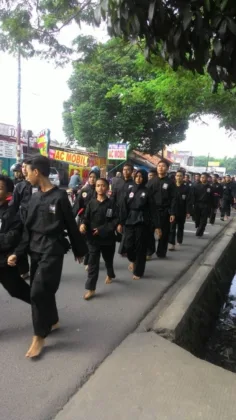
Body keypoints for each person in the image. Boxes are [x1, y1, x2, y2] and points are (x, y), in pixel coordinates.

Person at [8, 156, 88, 359]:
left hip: (53, 248)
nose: (25, 175)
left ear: (37, 172)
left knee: (37, 292)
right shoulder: (33, 198)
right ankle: (52, 319)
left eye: (27, 171)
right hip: (35, 249)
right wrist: (18, 253)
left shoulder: (60, 196)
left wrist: (80, 250)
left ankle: (39, 335)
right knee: (43, 289)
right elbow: (28, 229)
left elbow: (70, 224)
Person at [80, 178, 119, 300]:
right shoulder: (91, 203)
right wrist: (82, 224)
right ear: (95, 188)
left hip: (107, 238)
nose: (100, 188)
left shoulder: (112, 203)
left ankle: (110, 274)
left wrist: (102, 230)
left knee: (108, 259)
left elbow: (115, 220)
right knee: (93, 264)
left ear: (107, 188)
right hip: (93, 239)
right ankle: (91, 289)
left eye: (103, 185)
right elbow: (86, 218)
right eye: (98, 185)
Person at [118, 170, 159, 280]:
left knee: (141, 247)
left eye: (141, 176)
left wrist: (157, 226)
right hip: (130, 219)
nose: (138, 178)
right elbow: (123, 207)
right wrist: (121, 222)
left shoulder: (148, 192)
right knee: (128, 245)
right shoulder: (130, 190)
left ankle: (138, 272)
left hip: (142, 221)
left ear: (144, 178)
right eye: (137, 176)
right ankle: (133, 260)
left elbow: (153, 210)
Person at [0, 175, 31, 306]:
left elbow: (11, 238)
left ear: (8, 193)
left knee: (17, 290)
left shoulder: (12, 213)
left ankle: (48, 312)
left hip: (3, 261)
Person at [10, 159, 38, 279]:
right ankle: (24, 270)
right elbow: (13, 205)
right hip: (22, 221)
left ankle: (37, 271)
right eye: (23, 167)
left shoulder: (39, 185)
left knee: (35, 250)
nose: (23, 169)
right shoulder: (19, 186)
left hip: (36, 223)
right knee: (21, 247)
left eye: (26, 167)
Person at [147, 159, 176, 258]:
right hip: (151, 211)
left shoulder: (170, 183)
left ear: (167, 169)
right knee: (149, 232)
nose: (160, 168)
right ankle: (149, 251)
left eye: (163, 166)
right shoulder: (151, 182)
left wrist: (172, 213)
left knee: (164, 233)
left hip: (164, 211)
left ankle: (161, 252)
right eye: (159, 166)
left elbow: (173, 198)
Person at [72, 169, 98, 269]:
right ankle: (88, 259)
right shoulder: (84, 190)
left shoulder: (99, 189)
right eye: (90, 177)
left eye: (94, 177)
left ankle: (89, 261)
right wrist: (69, 218)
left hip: (96, 219)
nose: (92, 179)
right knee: (85, 240)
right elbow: (76, 206)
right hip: (84, 219)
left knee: (93, 241)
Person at [168, 170, 191, 250]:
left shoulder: (186, 188)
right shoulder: (171, 186)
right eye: (177, 175)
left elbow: (188, 201)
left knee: (180, 227)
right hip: (172, 211)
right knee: (172, 227)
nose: (178, 177)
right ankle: (171, 243)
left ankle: (179, 241)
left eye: (180, 176)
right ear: (175, 177)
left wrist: (188, 211)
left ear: (183, 177)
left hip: (182, 210)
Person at [192, 172, 213, 237]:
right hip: (197, 204)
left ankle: (200, 232)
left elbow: (212, 197)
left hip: (206, 205)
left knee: (204, 220)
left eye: (204, 177)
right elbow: (193, 196)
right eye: (201, 177)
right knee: (197, 219)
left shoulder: (210, 187)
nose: (202, 178)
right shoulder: (196, 186)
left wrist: (212, 206)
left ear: (207, 178)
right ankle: (199, 226)